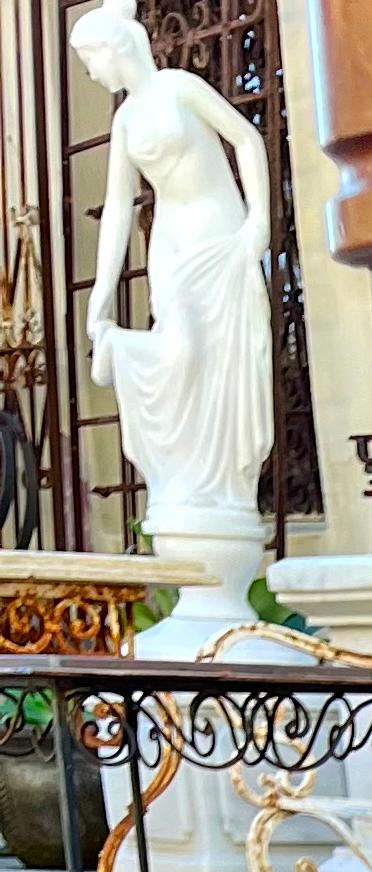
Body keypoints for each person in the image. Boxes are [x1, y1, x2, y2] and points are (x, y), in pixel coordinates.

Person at [72, 0, 274, 519]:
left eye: (90, 60)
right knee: (180, 351)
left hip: (218, 231)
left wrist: (259, 222)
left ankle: (222, 489)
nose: (91, 73)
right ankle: (120, 352)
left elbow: (247, 139)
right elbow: (118, 209)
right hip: (172, 241)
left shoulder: (180, 87)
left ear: (114, 49)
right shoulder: (124, 121)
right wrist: (102, 292)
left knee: (222, 360)